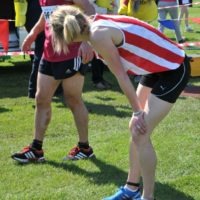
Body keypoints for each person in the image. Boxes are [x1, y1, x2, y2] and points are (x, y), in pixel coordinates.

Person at [49, 6, 190, 199]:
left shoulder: (97, 36)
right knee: (135, 128)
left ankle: (147, 197)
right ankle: (131, 189)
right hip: (157, 67)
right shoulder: (93, 25)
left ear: (68, 35)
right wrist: (86, 43)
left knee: (140, 133)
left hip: (174, 68)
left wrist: (138, 112)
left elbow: (122, 77)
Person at [11, 0, 96, 163]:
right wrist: (34, 33)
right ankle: (36, 149)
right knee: (41, 99)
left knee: (73, 99)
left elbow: (90, 8)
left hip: (72, 52)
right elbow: (48, 13)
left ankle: (84, 148)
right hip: (49, 52)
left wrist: (86, 40)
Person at [25, 0, 45, 98]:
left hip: (31, 16)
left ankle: (33, 90)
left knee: (39, 55)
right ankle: (33, 90)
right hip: (38, 17)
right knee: (40, 56)